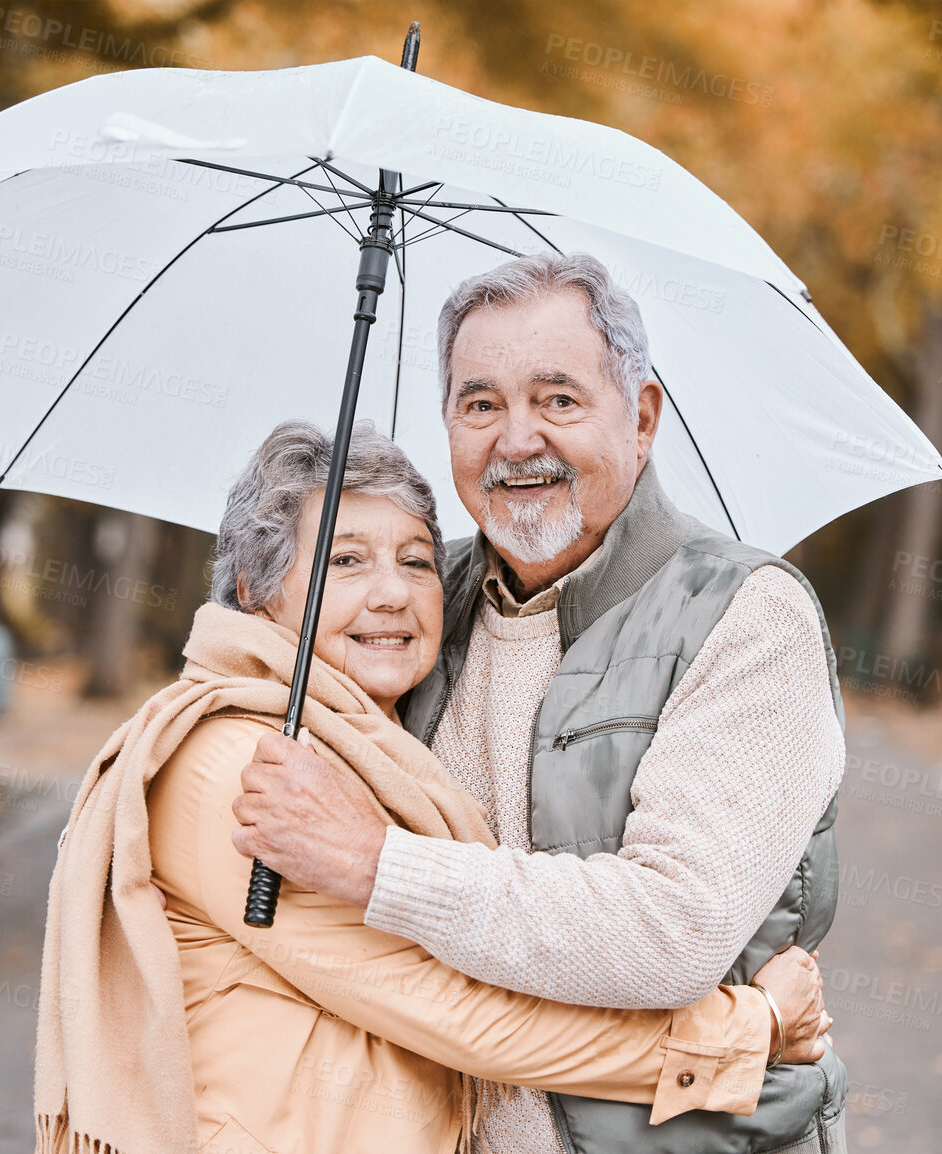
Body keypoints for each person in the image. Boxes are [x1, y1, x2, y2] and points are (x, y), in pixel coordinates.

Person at [33, 421, 831, 1154]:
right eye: (345, 560)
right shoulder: (244, 772)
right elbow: (460, 1012)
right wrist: (744, 1030)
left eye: (416, 559)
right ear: (252, 585)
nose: (391, 592)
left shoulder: (356, 752)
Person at [232, 253, 851, 1154]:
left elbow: (669, 931)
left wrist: (376, 867)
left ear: (638, 419)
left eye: (558, 399)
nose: (516, 440)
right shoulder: (412, 601)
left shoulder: (746, 616)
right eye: (480, 404)